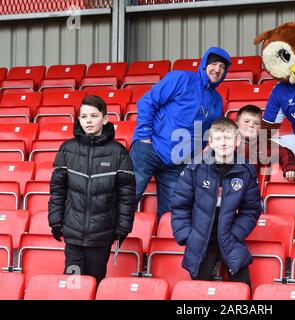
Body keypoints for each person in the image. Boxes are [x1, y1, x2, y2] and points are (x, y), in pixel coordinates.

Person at [131, 47, 231, 220]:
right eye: (213, 64)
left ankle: (164, 246)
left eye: (222, 67)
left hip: (177, 162)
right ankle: (107, 244)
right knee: (127, 201)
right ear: (204, 64)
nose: (217, 69)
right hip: (151, 148)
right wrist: (145, 136)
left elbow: (209, 132)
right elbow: (147, 102)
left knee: (172, 215)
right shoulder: (181, 78)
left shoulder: (217, 100)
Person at [48, 95, 136, 285]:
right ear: (79, 119)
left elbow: (127, 196)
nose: (88, 120)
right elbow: (57, 190)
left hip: (102, 235)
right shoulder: (66, 149)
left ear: (104, 119)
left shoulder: (119, 153)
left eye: (94, 116)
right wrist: (55, 221)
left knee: (94, 284)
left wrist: (123, 227)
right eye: (84, 116)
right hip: (73, 234)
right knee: (73, 286)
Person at [171, 117, 262, 288]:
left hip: (230, 237)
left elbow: (251, 210)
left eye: (228, 138)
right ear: (211, 142)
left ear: (237, 141)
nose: (223, 143)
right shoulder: (194, 168)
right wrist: (187, 236)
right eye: (218, 138)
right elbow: (179, 206)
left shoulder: (246, 171)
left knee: (243, 287)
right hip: (201, 239)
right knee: (197, 291)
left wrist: (236, 233)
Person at [236, 104, 295, 181]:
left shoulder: (263, 145)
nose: (251, 125)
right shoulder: (226, 141)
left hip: (247, 186)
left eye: (256, 123)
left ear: (260, 127)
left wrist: (290, 167)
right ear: (237, 123)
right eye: (246, 121)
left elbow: (284, 153)